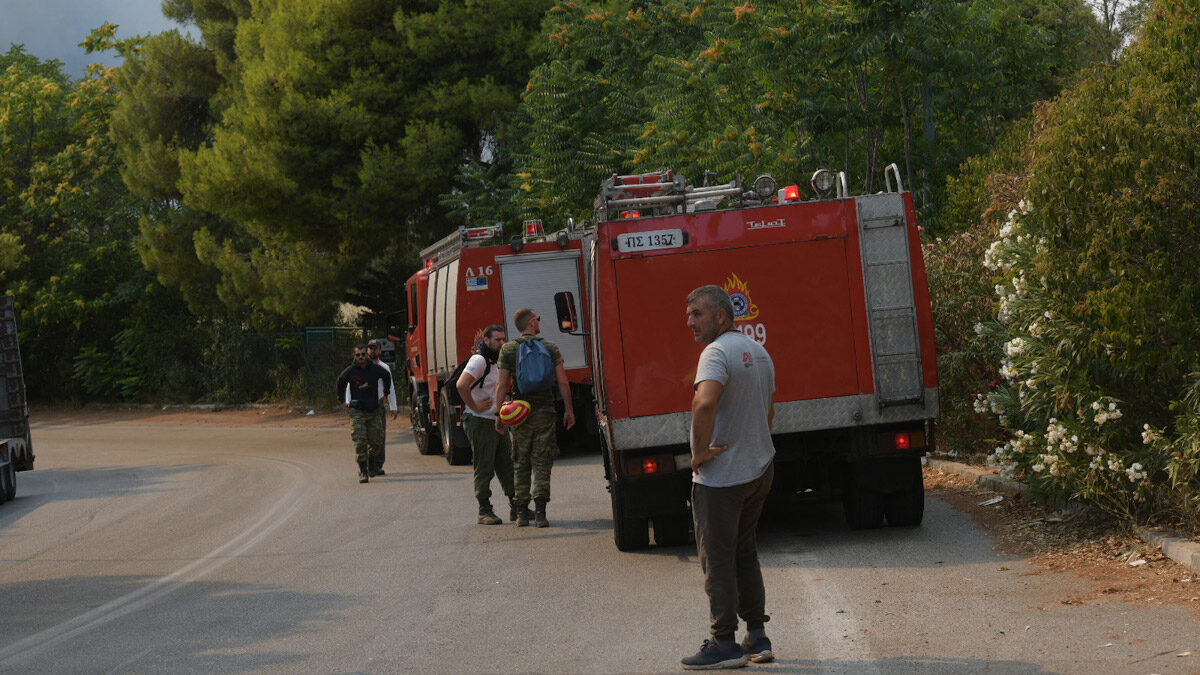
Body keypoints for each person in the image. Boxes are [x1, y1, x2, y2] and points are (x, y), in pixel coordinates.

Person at [681, 285, 776, 670]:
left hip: (722, 480)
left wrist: (699, 452)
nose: (690, 322)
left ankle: (724, 643)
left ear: (721, 315)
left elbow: (704, 401)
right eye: (688, 315)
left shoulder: (716, 353)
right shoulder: (759, 350)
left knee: (717, 559)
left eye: (697, 314)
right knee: (744, 551)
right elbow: (770, 410)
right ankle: (757, 635)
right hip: (758, 469)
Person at [493, 308, 575, 528]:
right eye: (537, 319)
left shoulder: (509, 349)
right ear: (531, 323)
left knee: (520, 462)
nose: (539, 322)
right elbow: (563, 382)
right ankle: (540, 514)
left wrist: (498, 414)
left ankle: (521, 514)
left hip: (520, 414)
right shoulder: (549, 347)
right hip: (545, 412)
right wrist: (569, 410)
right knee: (542, 462)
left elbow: (502, 385)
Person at [457, 325, 517, 525]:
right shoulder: (479, 360)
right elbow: (461, 384)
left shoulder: (497, 361)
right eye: (497, 340)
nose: (501, 343)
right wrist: (473, 405)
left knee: (507, 464)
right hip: (479, 421)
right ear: (487, 341)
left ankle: (517, 507)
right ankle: (484, 510)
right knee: (484, 466)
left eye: (503, 339)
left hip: (496, 420)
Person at [336, 343, 392, 484]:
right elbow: (340, 383)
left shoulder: (375, 369)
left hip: (373, 410)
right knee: (360, 442)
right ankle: (363, 471)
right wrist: (343, 401)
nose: (361, 357)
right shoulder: (350, 371)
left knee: (376, 442)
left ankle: (371, 463)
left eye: (363, 354)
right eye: (358, 355)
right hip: (357, 412)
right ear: (354, 356)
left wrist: (385, 394)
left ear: (367, 355)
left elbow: (387, 376)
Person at [367, 338, 399, 476]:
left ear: (380, 351)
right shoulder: (362, 367)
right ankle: (367, 465)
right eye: (370, 348)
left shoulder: (384, 368)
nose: (373, 350)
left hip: (379, 406)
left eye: (375, 348)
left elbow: (390, 387)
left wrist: (394, 406)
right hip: (365, 406)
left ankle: (378, 465)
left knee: (380, 437)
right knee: (366, 437)